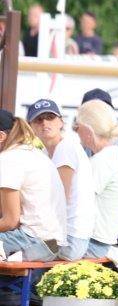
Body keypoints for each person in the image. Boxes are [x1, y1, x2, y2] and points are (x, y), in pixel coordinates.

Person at [27, 99, 96, 260]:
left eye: (50, 117)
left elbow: (59, 200)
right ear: (31, 127)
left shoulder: (65, 148)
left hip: (69, 240)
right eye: (39, 119)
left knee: (12, 251)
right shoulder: (45, 153)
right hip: (61, 236)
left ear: (61, 122)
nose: (45, 123)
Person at [0, 110, 65, 261]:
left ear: (1, 136)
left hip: (35, 242)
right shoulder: (31, 152)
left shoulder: (8, 159)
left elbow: (11, 221)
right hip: (52, 243)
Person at [74, 100, 118, 258]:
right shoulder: (112, 156)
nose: (76, 132)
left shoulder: (102, 161)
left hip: (92, 244)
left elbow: (76, 201)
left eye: (77, 127)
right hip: (97, 242)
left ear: (88, 130)